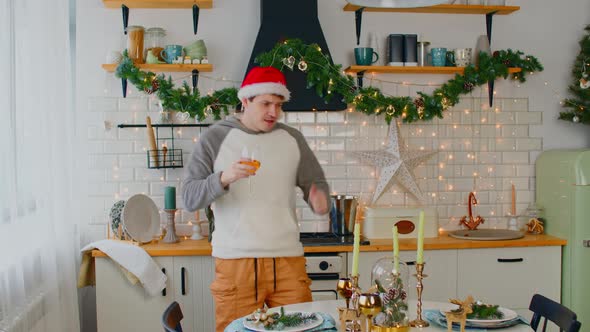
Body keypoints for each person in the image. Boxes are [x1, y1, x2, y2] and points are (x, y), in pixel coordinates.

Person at [182, 66, 330, 331]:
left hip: (288, 263)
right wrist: (223, 177)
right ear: (245, 100)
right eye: (265, 104)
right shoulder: (215, 137)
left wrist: (318, 197)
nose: (274, 112)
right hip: (236, 264)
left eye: (279, 104)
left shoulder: (292, 139)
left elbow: (315, 184)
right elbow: (190, 197)